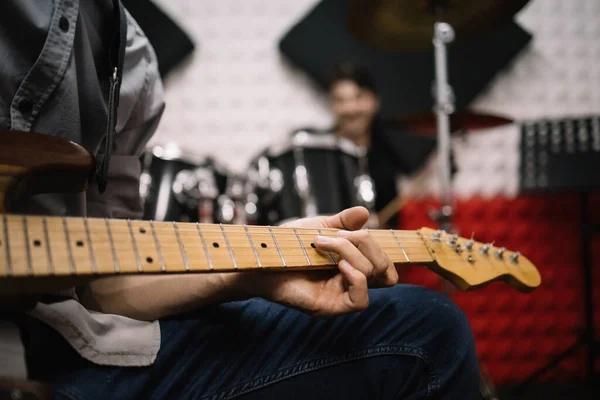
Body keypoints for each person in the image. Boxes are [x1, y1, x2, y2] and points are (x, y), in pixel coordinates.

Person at [0, 2, 480, 399]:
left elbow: (99, 283)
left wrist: (246, 272)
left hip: (71, 343)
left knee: (429, 325)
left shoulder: (127, 53)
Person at [326, 63, 437, 227]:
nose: (350, 108)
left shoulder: (389, 150)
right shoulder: (321, 153)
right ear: (332, 106)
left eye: (358, 97)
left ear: (375, 101)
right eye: (340, 100)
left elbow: (393, 220)